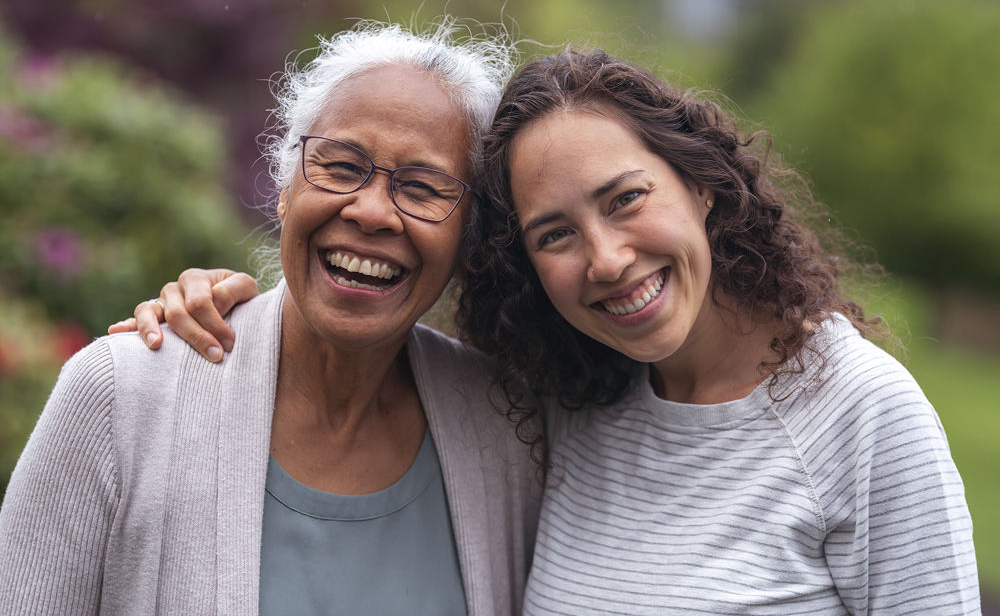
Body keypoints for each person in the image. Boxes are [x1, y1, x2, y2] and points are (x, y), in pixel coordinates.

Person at [118, 49, 981, 614]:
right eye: (555, 234)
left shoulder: (860, 415)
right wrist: (221, 299)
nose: (606, 260)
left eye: (626, 199)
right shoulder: (565, 403)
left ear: (704, 186)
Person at [0, 22, 540, 616]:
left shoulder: (508, 429)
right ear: (285, 188)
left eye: (422, 187)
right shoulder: (120, 397)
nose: (371, 211)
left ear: (469, 239)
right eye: (340, 166)